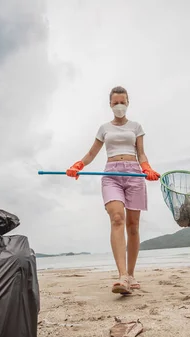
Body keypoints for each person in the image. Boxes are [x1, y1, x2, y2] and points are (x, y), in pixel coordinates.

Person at [66, 86, 160, 295]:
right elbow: (92, 153)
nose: (119, 105)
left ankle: (132, 274)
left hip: (134, 174)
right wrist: (78, 165)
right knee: (117, 217)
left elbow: (141, 154)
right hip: (111, 175)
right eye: (115, 102)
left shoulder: (136, 127)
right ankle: (122, 276)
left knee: (133, 226)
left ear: (128, 103)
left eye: (123, 102)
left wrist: (147, 169)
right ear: (110, 104)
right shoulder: (104, 128)